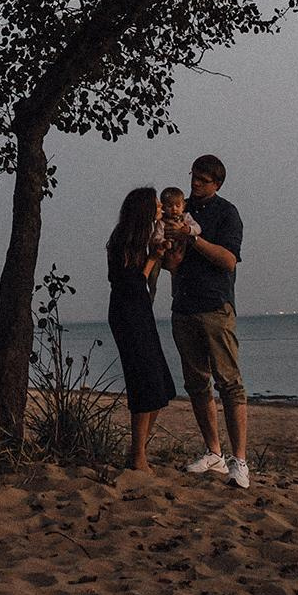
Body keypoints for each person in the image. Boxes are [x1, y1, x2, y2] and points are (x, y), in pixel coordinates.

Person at [165, 155, 250, 489]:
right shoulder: (180, 209)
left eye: (203, 179)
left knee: (228, 382)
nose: (195, 184)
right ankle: (213, 452)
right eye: (193, 177)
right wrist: (171, 240)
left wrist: (192, 237)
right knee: (196, 383)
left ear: (217, 183)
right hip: (183, 306)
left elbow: (228, 261)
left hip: (216, 306)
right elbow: (172, 264)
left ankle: (239, 460)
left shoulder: (227, 213)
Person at [107, 186, 177, 471]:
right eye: (157, 205)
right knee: (144, 381)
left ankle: (138, 451)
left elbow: (140, 280)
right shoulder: (125, 238)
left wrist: (154, 256)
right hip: (128, 311)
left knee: (159, 383)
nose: (162, 208)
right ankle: (138, 457)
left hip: (138, 308)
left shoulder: (137, 238)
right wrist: (151, 258)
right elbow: (131, 282)